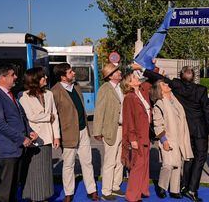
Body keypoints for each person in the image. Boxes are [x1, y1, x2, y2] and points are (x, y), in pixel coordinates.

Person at [132, 63, 209, 202]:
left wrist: (142, 69)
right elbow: (207, 110)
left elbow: (157, 78)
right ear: (194, 77)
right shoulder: (201, 90)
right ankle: (192, 189)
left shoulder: (176, 85)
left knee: (188, 158)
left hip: (184, 129)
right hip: (199, 129)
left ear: (181, 76)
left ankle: (183, 186)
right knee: (199, 158)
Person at [51, 63, 98, 202]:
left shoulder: (76, 87)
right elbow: (54, 116)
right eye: (70, 72)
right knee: (68, 165)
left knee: (87, 162)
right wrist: (57, 136)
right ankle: (69, 193)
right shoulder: (54, 92)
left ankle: (92, 190)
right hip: (68, 134)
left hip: (83, 130)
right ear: (63, 77)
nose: (74, 73)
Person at [0, 64, 38, 202]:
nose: (16, 77)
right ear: (2, 77)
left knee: (13, 188)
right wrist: (20, 138)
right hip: (6, 149)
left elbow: (20, 116)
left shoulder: (9, 93)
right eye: (12, 75)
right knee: (5, 190)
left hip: (16, 149)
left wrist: (30, 132)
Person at [19, 67, 60, 201]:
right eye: (43, 77)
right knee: (35, 171)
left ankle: (45, 195)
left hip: (48, 138)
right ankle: (35, 196)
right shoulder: (23, 96)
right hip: (34, 139)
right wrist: (49, 117)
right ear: (35, 79)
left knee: (46, 170)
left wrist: (56, 136)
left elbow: (56, 115)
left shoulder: (49, 94)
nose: (46, 78)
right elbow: (31, 116)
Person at [150, 79, 194, 199]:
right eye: (163, 85)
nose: (167, 85)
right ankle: (162, 186)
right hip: (168, 138)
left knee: (177, 165)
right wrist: (164, 140)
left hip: (179, 137)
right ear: (160, 90)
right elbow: (157, 124)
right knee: (168, 164)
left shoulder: (174, 99)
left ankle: (175, 190)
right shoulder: (160, 103)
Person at [93, 63, 125, 201]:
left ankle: (115, 186)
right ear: (110, 76)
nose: (119, 73)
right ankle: (106, 191)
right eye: (116, 72)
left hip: (123, 128)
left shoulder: (121, 88)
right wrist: (97, 131)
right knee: (110, 161)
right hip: (110, 129)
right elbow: (99, 111)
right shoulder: (104, 89)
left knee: (120, 160)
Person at [121, 72, 152, 202]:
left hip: (145, 134)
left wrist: (151, 65)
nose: (137, 78)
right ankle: (132, 196)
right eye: (134, 77)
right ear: (129, 83)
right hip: (137, 136)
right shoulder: (129, 97)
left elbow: (152, 79)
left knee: (144, 164)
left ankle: (142, 190)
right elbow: (129, 119)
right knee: (138, 166)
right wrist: (132, 138)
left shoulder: (142, 92)